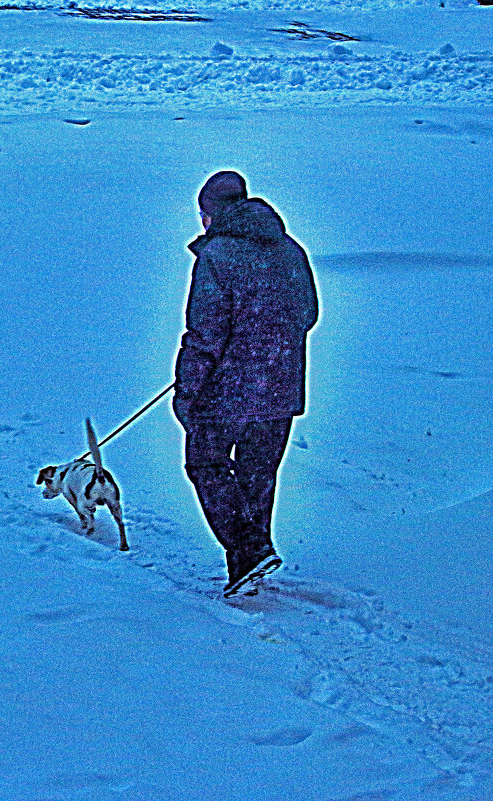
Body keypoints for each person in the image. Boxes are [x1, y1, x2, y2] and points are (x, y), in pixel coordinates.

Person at [173, 171, 318, 597]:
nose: (202, 223)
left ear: (212, 212)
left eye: (202, 215)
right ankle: (248, 565)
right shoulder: (291, 250)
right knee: (257, 476)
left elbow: (205, 333)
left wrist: (187, 392)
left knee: (205, 462)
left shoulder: (217, 255)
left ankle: (248, 550)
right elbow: (307, 315)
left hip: (228, 390)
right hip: (282, 387)